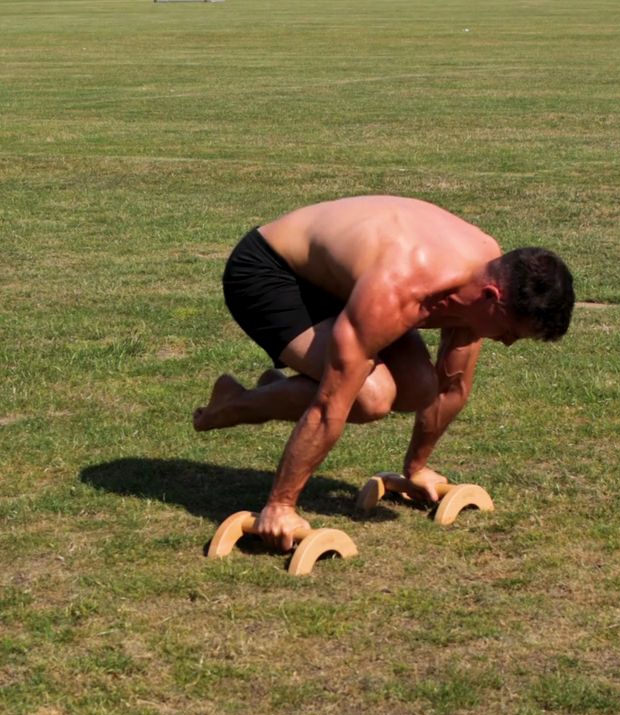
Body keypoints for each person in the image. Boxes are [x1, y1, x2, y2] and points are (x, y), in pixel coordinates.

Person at [193, 195, 574, 551]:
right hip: (271, 270)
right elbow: (330, 405)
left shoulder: (486, 276)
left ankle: (269, 392)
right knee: (368, 398)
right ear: (491, 298)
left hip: (345, 280)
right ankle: (235, 403)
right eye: (510, 333)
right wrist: (279, 505)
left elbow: (452, 387)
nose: (507, 343)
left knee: (420, 387)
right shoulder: (403, 288)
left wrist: (416, 470)